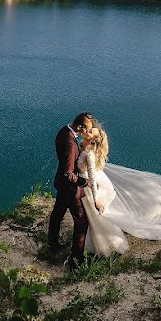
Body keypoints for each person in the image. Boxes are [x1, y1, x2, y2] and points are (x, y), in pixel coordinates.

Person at [78, 122, 161, 256]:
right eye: (89, 129)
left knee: (96, 217)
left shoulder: (89, 154)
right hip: (85, 185)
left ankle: (107, 246)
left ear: (92, 140)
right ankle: (95, 244)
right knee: (93, 219)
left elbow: (92, 178)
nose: (87, 131)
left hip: (90, 189)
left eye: (90, 132)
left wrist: (96, 200)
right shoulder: (83, 146)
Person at [47, 112, 94, 269]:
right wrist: (84, 182)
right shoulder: (69, 143)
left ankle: (53, 245)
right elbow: (69, 173)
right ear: (79, 127)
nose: (87, 133)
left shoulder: (64, 131)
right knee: (81, 223)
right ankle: (76, 261)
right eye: (86, 129)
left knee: (57, 215)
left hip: (61, 185)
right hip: (70, 189)